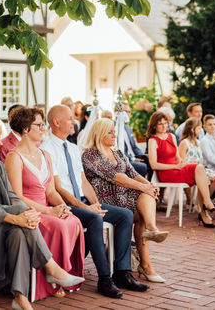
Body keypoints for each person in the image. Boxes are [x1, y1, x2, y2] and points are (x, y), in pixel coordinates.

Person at [0, 118, 84, 310]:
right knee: (21, 223)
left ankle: (20, 297)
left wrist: (27, 214)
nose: (0, 143)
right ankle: (50, 267)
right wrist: (17, 217)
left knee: (20, 232)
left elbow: (11, 196)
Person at [41, 105, 148, 298]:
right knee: (94, 218)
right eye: (70, 118)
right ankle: (104, 278)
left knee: (125, 215)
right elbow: (57, 188)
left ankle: (122, 272)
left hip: (82, 201)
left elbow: (83, 182)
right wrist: (86, 208)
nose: (74, 121)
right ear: (56, 122)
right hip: (64, 204)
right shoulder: (47, 149)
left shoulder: (73, 148)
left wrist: (96, 203)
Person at [5, 107, 84, 300]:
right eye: (39, 125)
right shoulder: (14, 157)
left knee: (73, 220)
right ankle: (52, 277)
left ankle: (59, 273)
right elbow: (17, 196)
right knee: (58, 225)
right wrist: (49, 211)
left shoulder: (45, 155)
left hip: (48, 208)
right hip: (29, 211)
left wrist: (62, 206)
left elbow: (50, 191)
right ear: (25, 129)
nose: (43, 128)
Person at [82, 118, 169, 283]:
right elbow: (116, 177)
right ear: (99, 134)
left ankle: (151, 233)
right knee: (143, 200)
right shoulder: (90, 154)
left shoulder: (118, 152)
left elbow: (132, 172)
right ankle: (146, 264)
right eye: (110, 132)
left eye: (114, 132)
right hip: (105, 200)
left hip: (124, 198)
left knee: (146, 200)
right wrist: (144, 187)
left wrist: (149, 185)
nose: (114, 135)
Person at [148, 111, 215, 228]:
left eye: (165, 123)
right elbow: (154, 165)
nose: (164, 126)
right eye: (160, 124)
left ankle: (205, 210)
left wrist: (181, 161)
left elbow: (177, 156)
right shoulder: (153, 140)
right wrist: (175, 166)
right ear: (154, 125)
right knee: (200, 173)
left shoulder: (171, 136)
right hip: (167, 172)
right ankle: (205, 208)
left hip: (177, 168)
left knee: (201, 173)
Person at [178, 117, 215, 217]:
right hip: (190, 170)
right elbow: (180, 161)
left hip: (200, 169)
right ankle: (202, 205)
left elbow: (201, 160)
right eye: (199, 128)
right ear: (192, 130)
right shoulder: (184, 143)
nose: (201, 131)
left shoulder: (197, 143)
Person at [120, 102, 148, 177]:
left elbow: (134, 147)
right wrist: (133, 159)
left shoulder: (128, 128)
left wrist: (141, 156)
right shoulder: (114, 127)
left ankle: (152, 186)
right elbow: (119, 150)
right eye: (125, 111)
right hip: (125, 159)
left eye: (129, 112)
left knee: (149, 161)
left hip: (134, 157)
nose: (128, 114)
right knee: (142, 167)